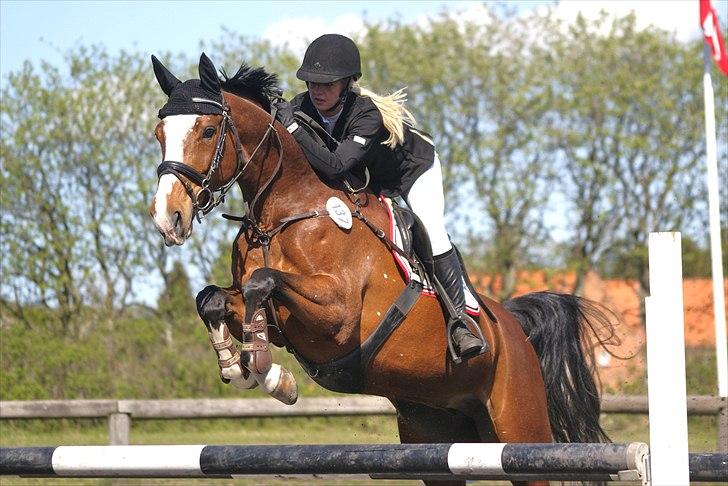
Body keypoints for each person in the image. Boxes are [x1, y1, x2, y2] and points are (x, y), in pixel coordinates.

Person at [275, 34, 487, 359]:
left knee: (431, 229)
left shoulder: (366, 115)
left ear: (347, 82)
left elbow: (336, 165)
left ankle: (460, 322)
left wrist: (292, 130)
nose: (317, 90)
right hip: (367, 180)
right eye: (311, 82)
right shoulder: (299, 108)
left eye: (327, 84)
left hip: (412, 170)